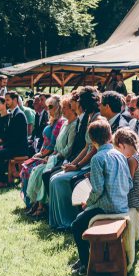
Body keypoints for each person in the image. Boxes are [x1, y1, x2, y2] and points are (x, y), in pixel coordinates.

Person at [68, 120, 132, 276]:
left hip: (107, 206)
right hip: (122, 203)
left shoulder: (97, 158)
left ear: (92, 140)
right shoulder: (120, 154)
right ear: (110, 135)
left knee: (76, 225)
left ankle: (85, 261)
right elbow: (129, 183)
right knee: (82, 216)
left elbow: (97, 190)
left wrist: (88, 203)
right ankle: (91, 255)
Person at [48, 88, 101, 230]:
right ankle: (58, 221)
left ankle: (68, 220)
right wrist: (73, 163)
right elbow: (86, 147)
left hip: (91, 163)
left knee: (59, 180)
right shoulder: (89, 117)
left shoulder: (97, 118)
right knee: (54, 178)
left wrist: (77, 166)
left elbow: (94, 149)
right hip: (83, 161)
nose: (75, 103)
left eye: (77, 101)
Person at [26, 97, 78, 217]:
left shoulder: (74, 125)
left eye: (65, 108)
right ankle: (37, 203)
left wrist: (55, 156)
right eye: (62, 107)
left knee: (44, 172)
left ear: (72, 109)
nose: (63, 110)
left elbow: (69, 148)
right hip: (55, 156)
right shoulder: (65, 123)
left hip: (63, 158)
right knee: (36, 170)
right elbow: (57, 145)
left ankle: (42, 206)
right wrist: (52, 154)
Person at [19, 96, 66, 207]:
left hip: (51, 156)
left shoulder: (61, 122)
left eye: (51, 107)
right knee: (25, 166)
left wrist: (42, 154)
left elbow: (54, 145)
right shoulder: (52, 120)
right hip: (44, 152)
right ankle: (30, 202)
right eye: (47, 107)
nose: (48, 109)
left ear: (58, 107)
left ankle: (35, 204)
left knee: (29, 169)